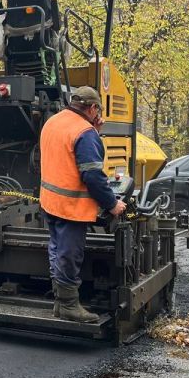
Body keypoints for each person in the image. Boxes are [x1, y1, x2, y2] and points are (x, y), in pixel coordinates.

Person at [39, 86, 126, 322]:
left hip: (50, 203)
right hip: (71, 208)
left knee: (56, 251)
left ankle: (60, 302)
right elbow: (94, 177)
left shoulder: (53, 122)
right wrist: (112, 204)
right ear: (93, 108)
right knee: (69, 254)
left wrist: (92, 131)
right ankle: (68, 306)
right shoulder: (85, 133)